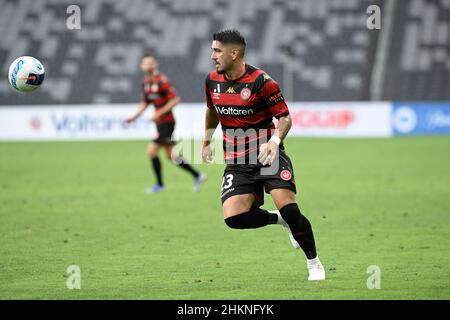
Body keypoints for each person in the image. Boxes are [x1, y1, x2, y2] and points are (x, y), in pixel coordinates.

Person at [202, 30, 325, 280]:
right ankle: (278, 220)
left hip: (268, 156)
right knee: (234, 218)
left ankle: (314, 262)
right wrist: (206, 141)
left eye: (217, 50)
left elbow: (285, 117)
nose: (212, 56)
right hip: (237, 161)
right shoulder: (212, 80)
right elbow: (212, 111)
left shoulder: (262, 81)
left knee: (291, 209)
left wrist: (275, 140)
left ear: (233, 53)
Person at [125, 53, 206, 193]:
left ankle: (159, 185)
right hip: (160, 123)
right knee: (171, 156)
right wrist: (134, 117)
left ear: (155, 65)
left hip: (167, 122)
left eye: (151, 63)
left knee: (151, 151)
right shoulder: (146, 82)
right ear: (141, 66)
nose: (148, 65)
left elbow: (175, 100)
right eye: (145, 63)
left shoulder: (161, 81)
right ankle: (198, 175)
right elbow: (145, 102)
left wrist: (158, 113)